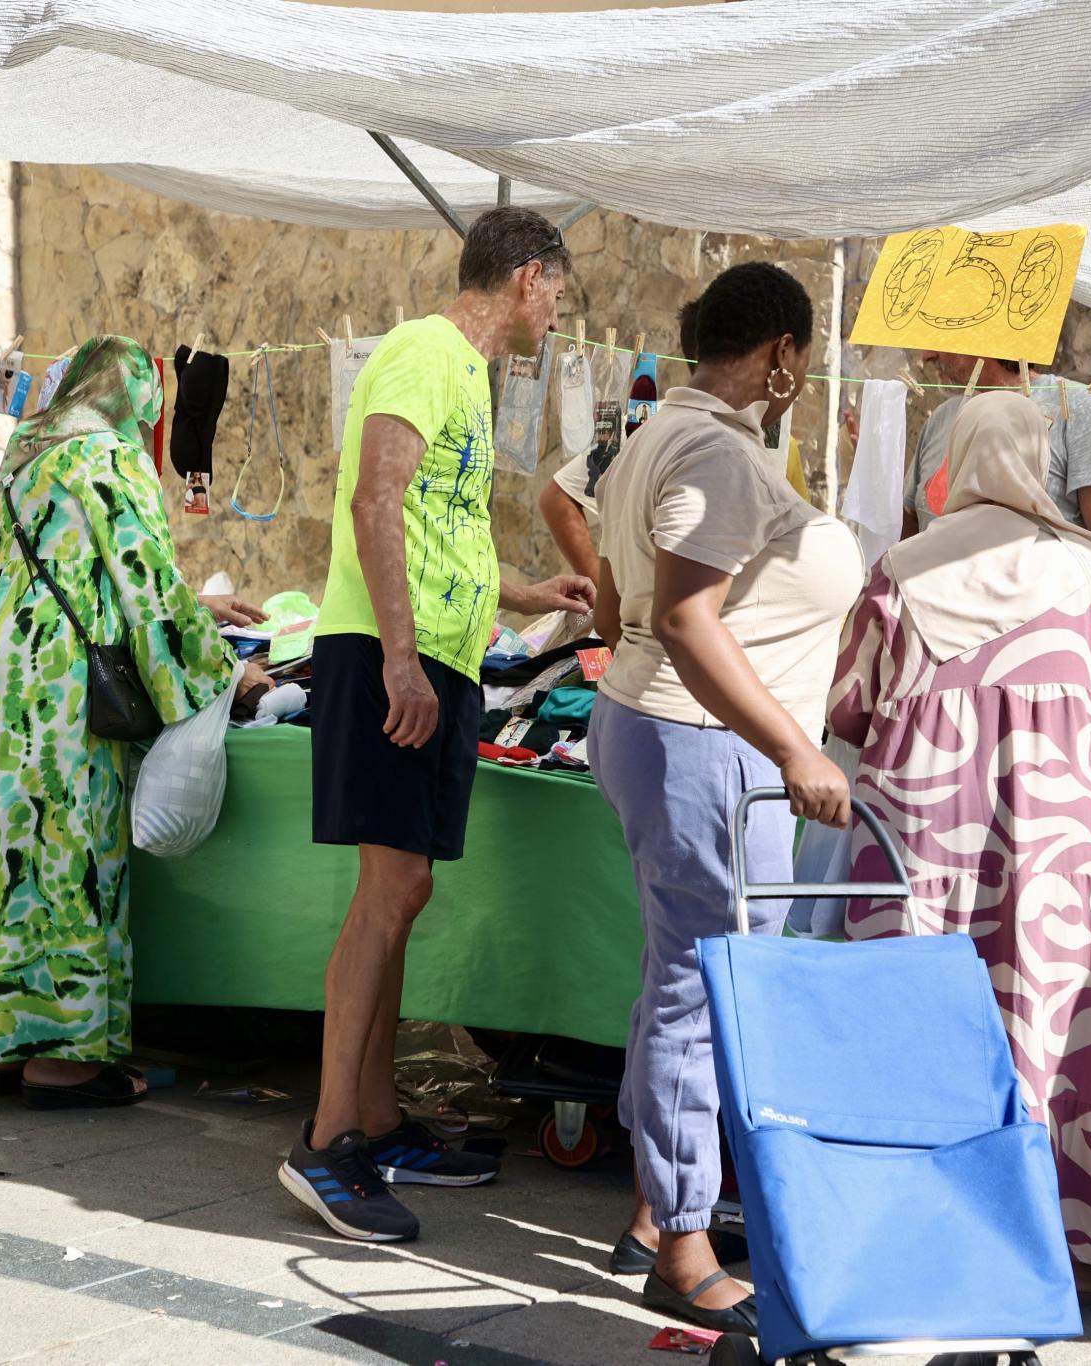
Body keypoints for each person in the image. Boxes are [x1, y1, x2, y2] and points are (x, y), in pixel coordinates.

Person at [282, 207, 595, 1242]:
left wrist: (526, 589)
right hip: (388, 655)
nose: (557, 312)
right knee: (390, 890)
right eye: (557, 290)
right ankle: (328, 1142)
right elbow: (375, 502)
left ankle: (375, 1119)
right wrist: (401, 659)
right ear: (527, 277)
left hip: (439, 658)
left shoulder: (466, 371)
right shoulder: (424, 351)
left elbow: (437, 529)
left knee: (404, 891)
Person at [827, 391, 1091, 1297]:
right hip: (1060, 843)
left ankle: (919, 1243)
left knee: (919, 1016)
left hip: (924, 843)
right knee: (1064, 1017)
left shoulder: (900, 571)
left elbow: (848, 713)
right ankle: (1080, 1253)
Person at [589, 262, 863, 1335]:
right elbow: (686, 616)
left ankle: (660, 1214)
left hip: (662, 726)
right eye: (807, 355)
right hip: (699, 741)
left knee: (682, 974)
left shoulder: (661, 433)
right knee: (698, 990)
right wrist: (795, 747)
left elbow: (620, 603)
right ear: (781, 353)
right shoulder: (708, 447)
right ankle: (683, 1237)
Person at [0, 336, 243, 1106]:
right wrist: (227, 673)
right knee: (58, 849)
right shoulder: (111, 460)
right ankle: (61, 1057)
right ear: (138, 398)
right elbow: (146, 588)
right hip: (54, 683)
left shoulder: (28, 448)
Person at [541, 299, 809, 582]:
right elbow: (558, 499)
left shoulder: (779, 444)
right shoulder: (642, 425)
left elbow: (797, 541)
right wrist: (602, 592)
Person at [898, 351, 1091, 606]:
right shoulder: (940, 419)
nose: (927, 356)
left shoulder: (1080, 407)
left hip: (1040, 633)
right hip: (942, 630)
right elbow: (912, 531)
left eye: (940, 339)